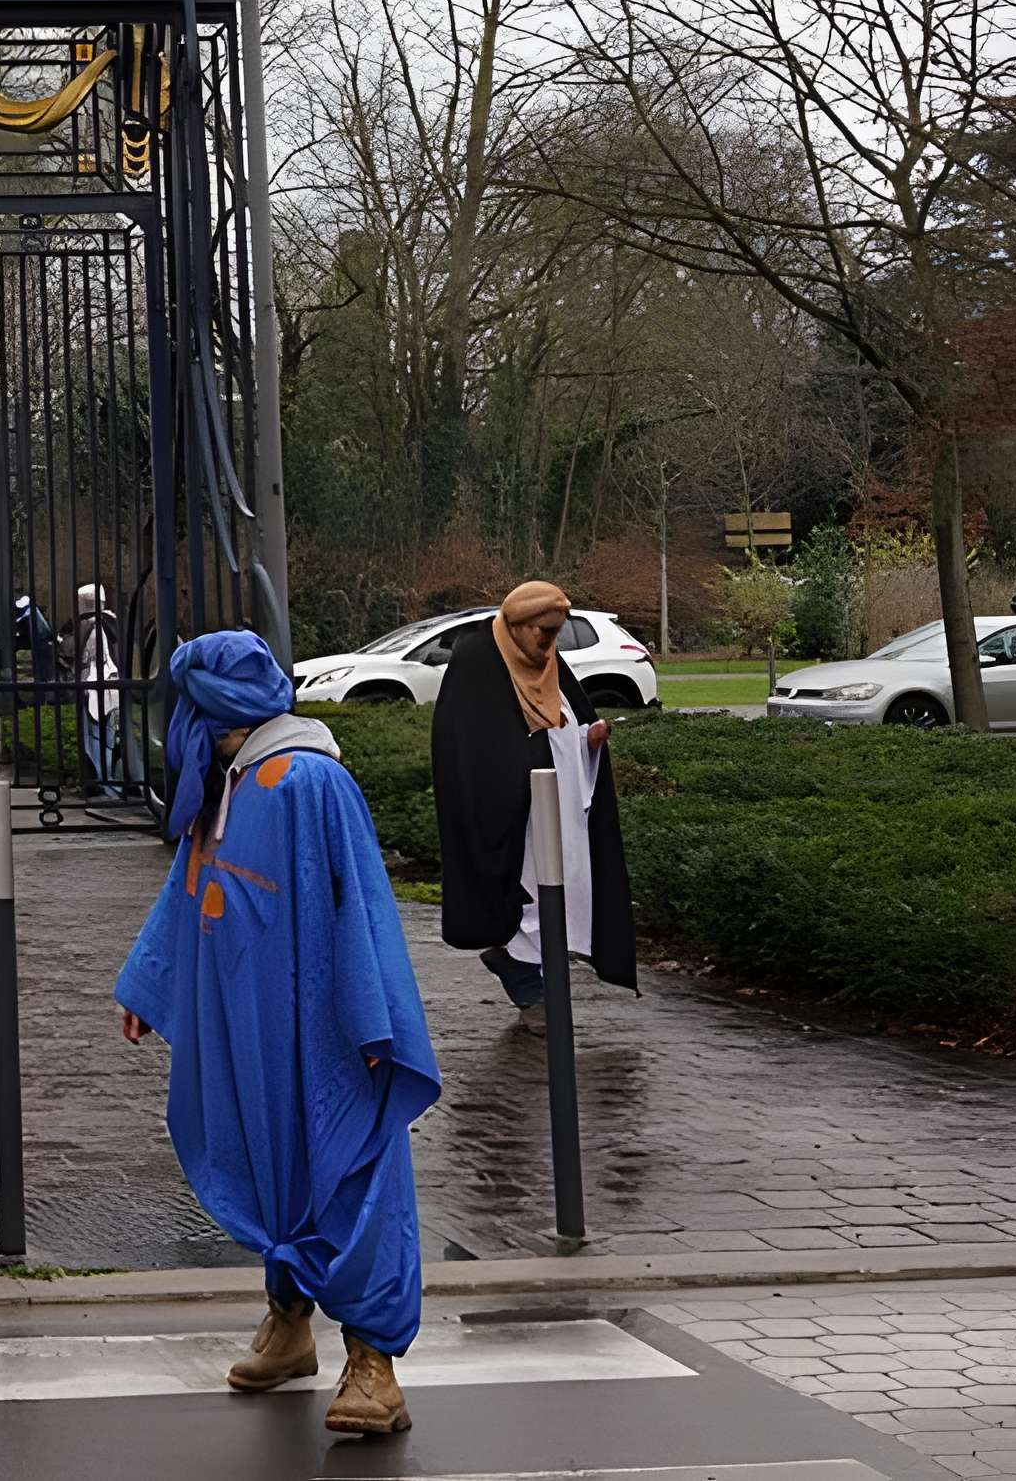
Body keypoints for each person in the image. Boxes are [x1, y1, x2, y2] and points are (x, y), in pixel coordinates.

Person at [115, 628, 438, 1436]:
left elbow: (361, 903)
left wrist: (374, 1022)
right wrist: (150, 984)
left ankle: (375, 1364)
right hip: (247, 1026)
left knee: (348, 1170)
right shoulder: (227, 783)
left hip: (325, 1031)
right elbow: (191, 887)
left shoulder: (309, 781)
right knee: (270, 1163)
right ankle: (289, 1324)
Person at [432, 580, 636, 1014]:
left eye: (555, 632)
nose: (549, 642)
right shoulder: (478, 660)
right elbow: (468, 744)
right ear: (519, 624)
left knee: (559, 890)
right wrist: (518, 770)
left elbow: (564, 724)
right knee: (529, 894)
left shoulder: (547, 662)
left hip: (559, 808)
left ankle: (534, 977)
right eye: (544, 631)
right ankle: (525, 975)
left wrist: (588, 740)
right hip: (511, 812)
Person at [73, 581, 131, 791]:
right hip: (110, 683)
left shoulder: (92, 625)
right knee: (108, 735)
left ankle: (103, 781)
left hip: (95, 686)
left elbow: (89, 659)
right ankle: (107, 780)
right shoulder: (110, 622)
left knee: (97, 737)